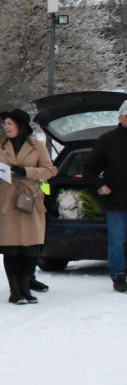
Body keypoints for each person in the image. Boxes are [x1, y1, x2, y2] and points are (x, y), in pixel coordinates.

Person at [0, 109, 57, 304]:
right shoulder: (0, 148)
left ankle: (26, 288)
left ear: (20, 125)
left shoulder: (37, 146)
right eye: (5, 124)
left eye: (9, 123)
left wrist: (25, 171)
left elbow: (48, 170)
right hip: (7, 202)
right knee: (10, 248)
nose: (5, 127)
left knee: (29, 248)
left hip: (29, 201)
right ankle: (14, 291)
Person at [83, 100, 127, 292]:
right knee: (117, 240)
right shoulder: (108, 140)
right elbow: (89, 168)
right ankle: (118, 275)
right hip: (117, 202)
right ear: (120, 117)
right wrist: (99, 185)